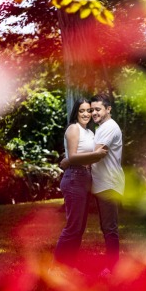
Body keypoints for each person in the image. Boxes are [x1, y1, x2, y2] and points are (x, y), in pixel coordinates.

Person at [61, 94, 125, 276]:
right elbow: (91, 154)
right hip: (100, 182)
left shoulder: (107, 128)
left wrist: (68, 160)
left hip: (108, 183)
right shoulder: (99, 129)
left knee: (109, 228)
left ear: (108, 109)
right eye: (92, 109)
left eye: (97, 109)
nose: (94, 113)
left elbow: (98, 154)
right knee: (103, 227)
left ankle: (112, 269)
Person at [53, 98, 108, 269]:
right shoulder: (73, 129)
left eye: (88, 111)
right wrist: (97, 155)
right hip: (74, 178)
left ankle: (68, 268)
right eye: (81, 111)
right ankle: (56, 268)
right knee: (73, 227)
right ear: (76, 112)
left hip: (85, 178)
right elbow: (73, 157)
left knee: (79, 228)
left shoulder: (90, 133)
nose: (86, 114)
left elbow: (75, 159)